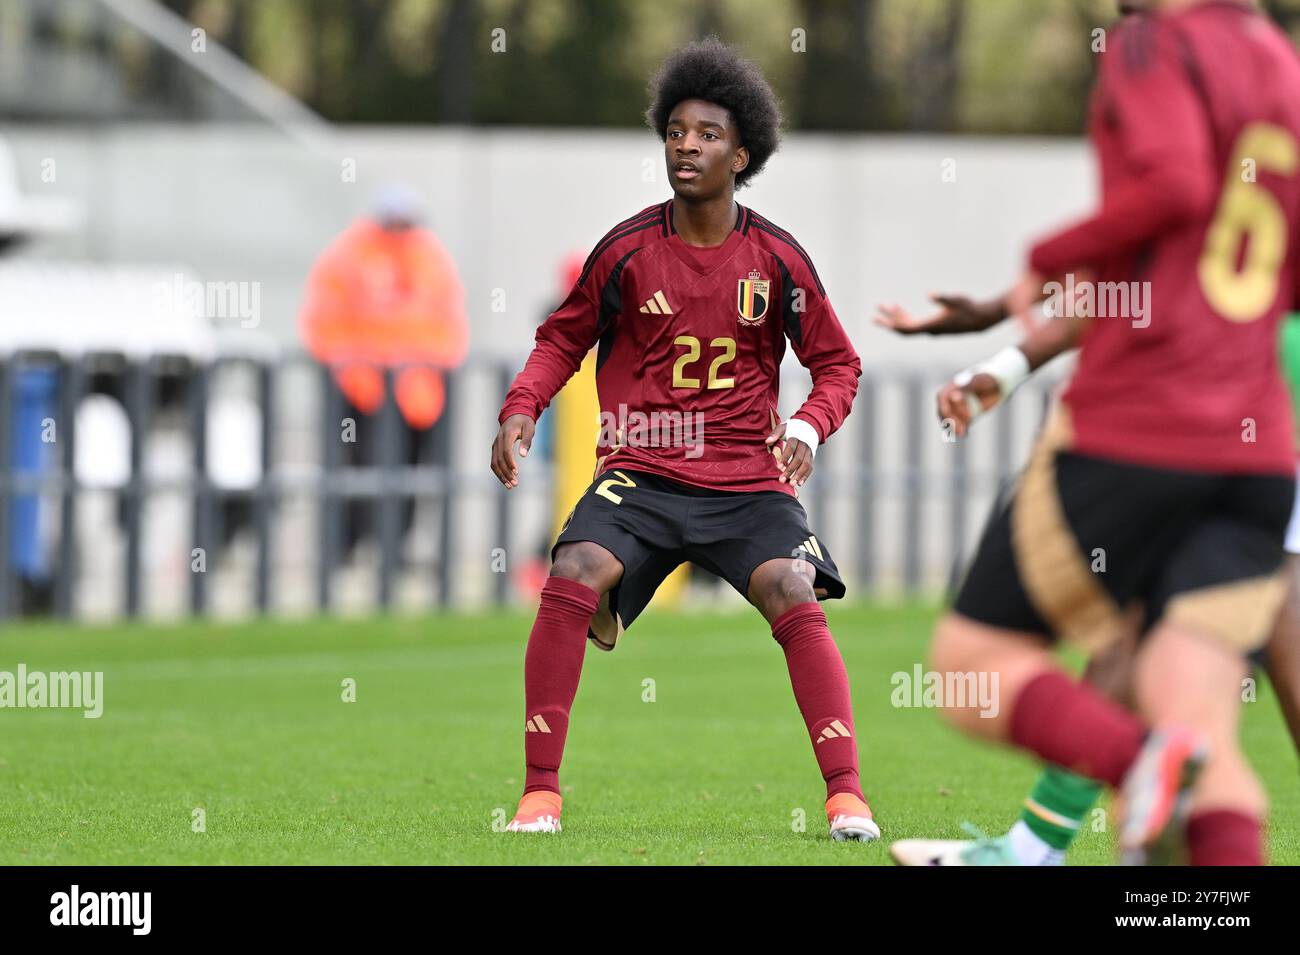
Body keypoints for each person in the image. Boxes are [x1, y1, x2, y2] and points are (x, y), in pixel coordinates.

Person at [884, 0, 1300, 865]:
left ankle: (1121, 776)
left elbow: (1174, 185)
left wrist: (1047, 253)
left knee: (974, 663)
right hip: (1255, 453)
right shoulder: (1278, 63)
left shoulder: (1152, 42)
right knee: (1205, 741)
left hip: (1138, 431)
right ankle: (1122, 813)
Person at [490, 38, 874, 839]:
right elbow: (562, 338)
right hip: (641, 470)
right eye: (675, 132)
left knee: (793, 591)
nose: (687, 147)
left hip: (745, 479)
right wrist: (522, 404)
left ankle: (846, 797)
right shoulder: (627, 250)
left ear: (742, 153)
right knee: (573, 567)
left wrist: (807, 422)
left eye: (706, 135)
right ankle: (539, 793)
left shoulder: (777, 259)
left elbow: (837, 363)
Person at [299, 185, 468, 555]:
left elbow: (448, 320)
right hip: (361, 388)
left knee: (410, 471)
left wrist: (431, 366)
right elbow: (324, 318)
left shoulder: (429, 257)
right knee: (356, 469)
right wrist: (351, 366)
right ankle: (346, 550)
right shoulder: (350, 254)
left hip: (419, 391)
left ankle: (394, 550)